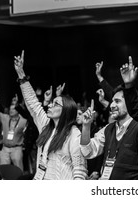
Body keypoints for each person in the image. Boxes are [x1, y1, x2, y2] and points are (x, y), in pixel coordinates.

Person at [13, 50, 87, 180]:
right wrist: (21, 74)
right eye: (52, 103)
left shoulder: (74, 134)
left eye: (56, 104)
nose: (50, 105)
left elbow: (80, 170)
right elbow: (33, 104)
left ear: (66, 111)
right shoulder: (46, 125)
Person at [80, 87, 138, 180]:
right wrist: (86, 126)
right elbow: (87, 152)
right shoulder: (108, 129)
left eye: (117, 101)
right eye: (112, 101)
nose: (112, 105)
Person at [0, 93, 27, 171]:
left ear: (18, 110)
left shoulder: (23, 121)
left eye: (13, 109)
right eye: (10, 109)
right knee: (4, 171)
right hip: (5, 149)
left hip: (17, 149)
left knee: (18, 171)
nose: (11, 110)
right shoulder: (5, 118)